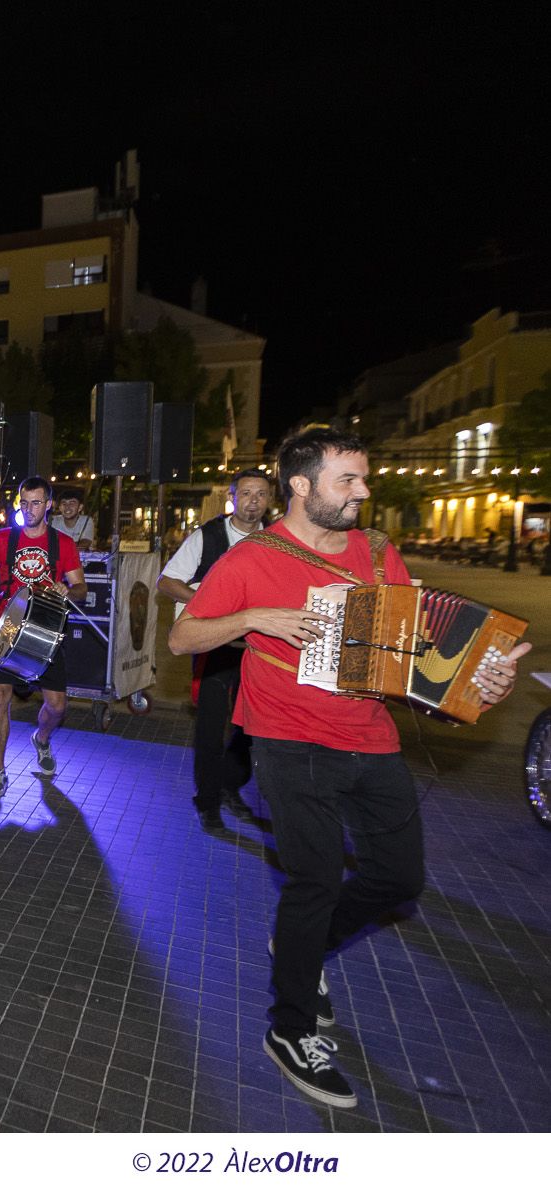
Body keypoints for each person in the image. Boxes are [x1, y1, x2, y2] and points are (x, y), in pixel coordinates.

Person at [171, 427, 527, 1109]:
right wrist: (257, 618)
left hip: (369, 734)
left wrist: (476, 678)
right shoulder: (254, 556)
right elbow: (183, 633)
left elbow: (411, 652)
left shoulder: (375, 551)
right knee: (313, 877)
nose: (363, 492)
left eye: (364, 479)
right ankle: (290, 1026)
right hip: (287, 738)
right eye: (347, 481)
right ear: (299, 485)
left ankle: (301, 949)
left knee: (399, 877)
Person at [157, 469, 272, 833]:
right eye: (246, 493)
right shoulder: (207, 536)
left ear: (270, 500)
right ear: (232, 497)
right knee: (210, 727)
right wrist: (208, 603)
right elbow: (166, 581)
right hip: (215, 646)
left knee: (253, 726)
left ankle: (228, 785)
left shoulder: (275, 542)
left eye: (261, 494)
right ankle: (207, 800)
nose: (253, 501)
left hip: (259, 648)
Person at [0, 477, 86, 796]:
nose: (29, 509)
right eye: (24, 503)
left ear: (48, 504)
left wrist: (69, 589)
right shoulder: (3, 538)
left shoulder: (62, 543)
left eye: (36, 503)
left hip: (46, 629)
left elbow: (81, 588)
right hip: (7, 626)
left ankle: (41, 738)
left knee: (57, 705)